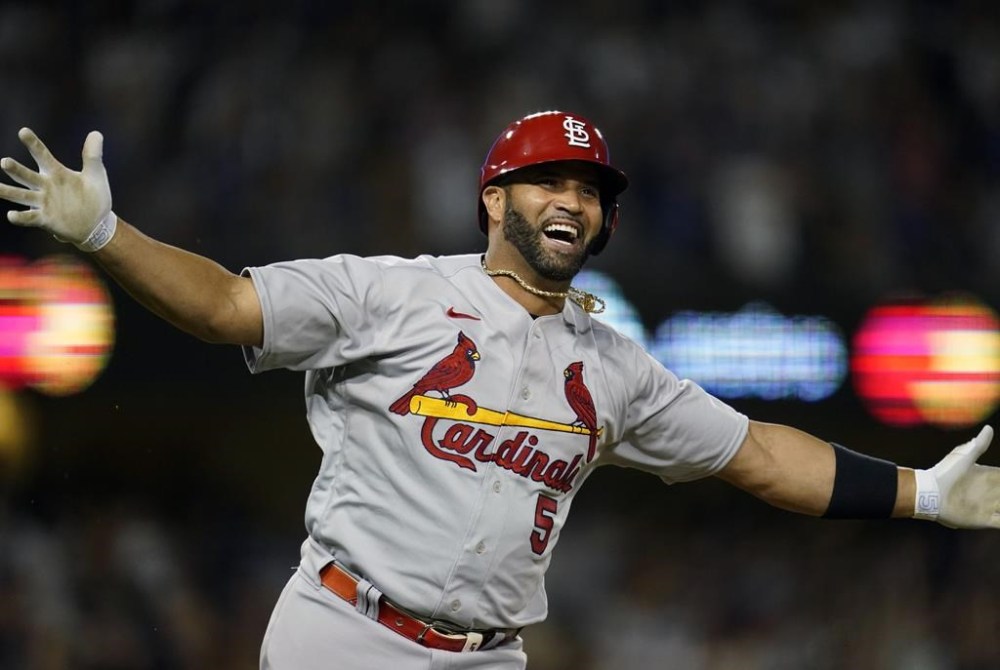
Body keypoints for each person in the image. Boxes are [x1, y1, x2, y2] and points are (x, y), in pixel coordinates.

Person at [1, 110, 998, 670]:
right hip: (343, 633)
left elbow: (760, 455)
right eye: (547, 181)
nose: (572, 200)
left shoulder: (617, 368)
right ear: (492, 199)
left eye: (589, 190)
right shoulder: (387, 293)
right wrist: (105, 236)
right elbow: (224, 305)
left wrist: (921, 492)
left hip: (489, 657)